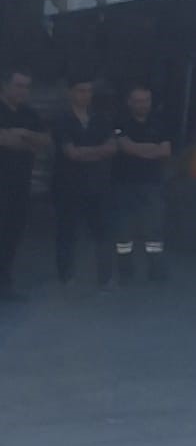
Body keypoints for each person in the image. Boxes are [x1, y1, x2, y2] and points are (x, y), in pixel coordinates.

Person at [52, 76, 118, 291]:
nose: (85, 95)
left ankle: (105, 278)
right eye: (81, 90)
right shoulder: (61, 119)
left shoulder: (101, 118)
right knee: (67, 232)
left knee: (103, 231)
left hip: (97, 185)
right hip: (68, 185)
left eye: (89, 91)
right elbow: (70, 153)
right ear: (70, 92)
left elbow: (112, 148)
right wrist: (98, 152)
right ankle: (67, 277)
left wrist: (85, 152)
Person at [0, 69, 51, 300]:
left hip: (19, 185)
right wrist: (25, 140)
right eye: (19, 85)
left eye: (27, 87)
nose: (23, 91)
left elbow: (45, 142)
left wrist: (21, 134)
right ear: (5, 85)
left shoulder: (29, 113)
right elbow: (6, 140)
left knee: (12, 234)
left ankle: (4, 284)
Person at [114, 85, 172, 282]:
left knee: (154, 230)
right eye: (138, 101)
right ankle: (125, 272)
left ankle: (156, 271)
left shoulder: (160, 123)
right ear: (129, 102)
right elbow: (125, 147)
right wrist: (152, 149)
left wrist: (138, 149)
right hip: (124, 184)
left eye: (146, 100)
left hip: (153, 184)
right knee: (124, 231)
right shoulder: (120, 122)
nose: (143, 105)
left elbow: (165, 151)